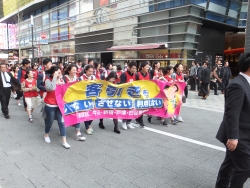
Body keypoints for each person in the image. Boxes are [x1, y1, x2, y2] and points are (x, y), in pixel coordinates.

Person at [215, 52, 250, 188]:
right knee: (245, 167)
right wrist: (233, 137)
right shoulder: (237, 85)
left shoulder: (246, 83)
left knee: (229, 164)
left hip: (244, 132)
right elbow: (232, 113)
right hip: (238, 136)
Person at [43, 66, 70, 149]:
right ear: (53, 73)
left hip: (60, 105)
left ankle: (64, 141)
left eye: (60, 72)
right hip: (50, 105)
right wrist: (55, 78)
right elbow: (51, 88)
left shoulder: (62, 80)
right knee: (50, 122)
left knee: (61, 123)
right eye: (57, 72)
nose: (59, 73)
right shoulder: (47, 80)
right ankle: (46, 135)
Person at [63, 65, 86, 141]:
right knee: (65, 116)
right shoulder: (64, 78)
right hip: (66, 100)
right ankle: (62, 129)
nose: (75, 71)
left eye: (76, 70)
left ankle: (78, 133)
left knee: (77, 115)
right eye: (73, 70)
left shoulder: (78, 79)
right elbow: (61, 88)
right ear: (69, 71)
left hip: (75, 100)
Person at [120, 61, 137, 130]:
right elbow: (122, 84)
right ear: (129, 68)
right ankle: (124, 122)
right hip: (125, 95)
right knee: (126, 109)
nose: (134, 70)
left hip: (133, 94)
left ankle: (129, 122)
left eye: (135, 68)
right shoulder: (124, 74)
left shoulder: (135, 75)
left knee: (132, 108)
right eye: (132, 68)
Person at [135, 61, 152, 128]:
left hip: (146, 93)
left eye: (148, 67)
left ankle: (138, 119)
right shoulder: (137, 74)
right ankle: (140, 121)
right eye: (146, 67)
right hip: (139, 93)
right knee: (139, 107)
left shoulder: (149, 74)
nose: (148, 68)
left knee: (143, 107)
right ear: (142, 67)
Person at [80, 65, 96, 135]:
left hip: (92, 97)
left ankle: (89, 124)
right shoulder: (81, 78)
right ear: (85, 70)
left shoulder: (93, 77)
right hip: (84, 98)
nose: (91, 73)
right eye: (89, 71)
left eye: (92, 71)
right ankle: (87, 127)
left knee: (93, 112)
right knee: (86, 113)